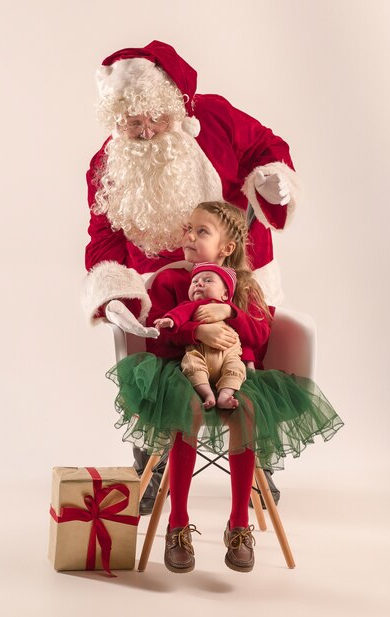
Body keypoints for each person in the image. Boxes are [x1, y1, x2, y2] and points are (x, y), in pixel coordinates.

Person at [84, 40, 301, 513]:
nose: (144, 133)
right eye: (131, 122)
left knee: (245, 357)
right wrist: (114, 293)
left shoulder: (215, 119)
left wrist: (271, 178)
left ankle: (257, 461)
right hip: (160, 289)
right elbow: (101, 238)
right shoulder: (107, 165)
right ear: (115, 119)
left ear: (172, 108)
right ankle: (152, 458)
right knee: (159, 370)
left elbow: (265, 146)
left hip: (234, 271)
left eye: (154, 119)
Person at [107, 201, 344, 573]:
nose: (189, 236)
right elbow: (157, 336)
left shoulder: (246, 286)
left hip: (237, 373)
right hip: (182, 371)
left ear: (226, 248)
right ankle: (178, 524)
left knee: (246, 411)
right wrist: (196, 329)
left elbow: (262, 334)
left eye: (201, 231)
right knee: (189, 411)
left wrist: (230, 312)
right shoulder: (171, 280)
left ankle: (238, 525)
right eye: (188, 229)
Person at [154, 263, 252, 410]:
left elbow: (245, 335)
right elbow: (179, 313)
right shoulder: (193, 306)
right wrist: (170, 320)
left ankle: (225, 395)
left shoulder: (230, 310)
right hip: (200, 351)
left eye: (208, 281)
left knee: (237, 367)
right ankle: (207, 394)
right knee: (191, 363)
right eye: (194, 282)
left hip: (228, 354)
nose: (199, 283)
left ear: (225, 294)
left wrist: (249, 359)